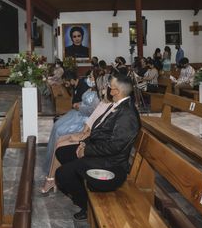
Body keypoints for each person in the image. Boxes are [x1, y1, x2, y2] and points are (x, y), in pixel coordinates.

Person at [54, 74, 140, 220]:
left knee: (62, 175)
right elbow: (98, 130)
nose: (107, 89)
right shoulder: (117, 106)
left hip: (112, 165)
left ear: (116, 92)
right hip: (101, 154)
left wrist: (86, 150)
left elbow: (114, 147)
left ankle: (87, 206)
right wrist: (84, 143)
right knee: (62, 152)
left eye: (110, 87)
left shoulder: (127, 115)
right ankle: (79, 181)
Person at [41, 72, 100, 192]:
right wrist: (79, 105)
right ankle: (52, 169)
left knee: (61, 131)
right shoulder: (90, 89)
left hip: (85, 119)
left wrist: (80, 107)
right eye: (89, 77)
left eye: (92, 77)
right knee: (57, 126)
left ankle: (54, 175)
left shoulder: (99, 94)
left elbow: (94, 112)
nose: (89, 79)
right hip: (78, 114)